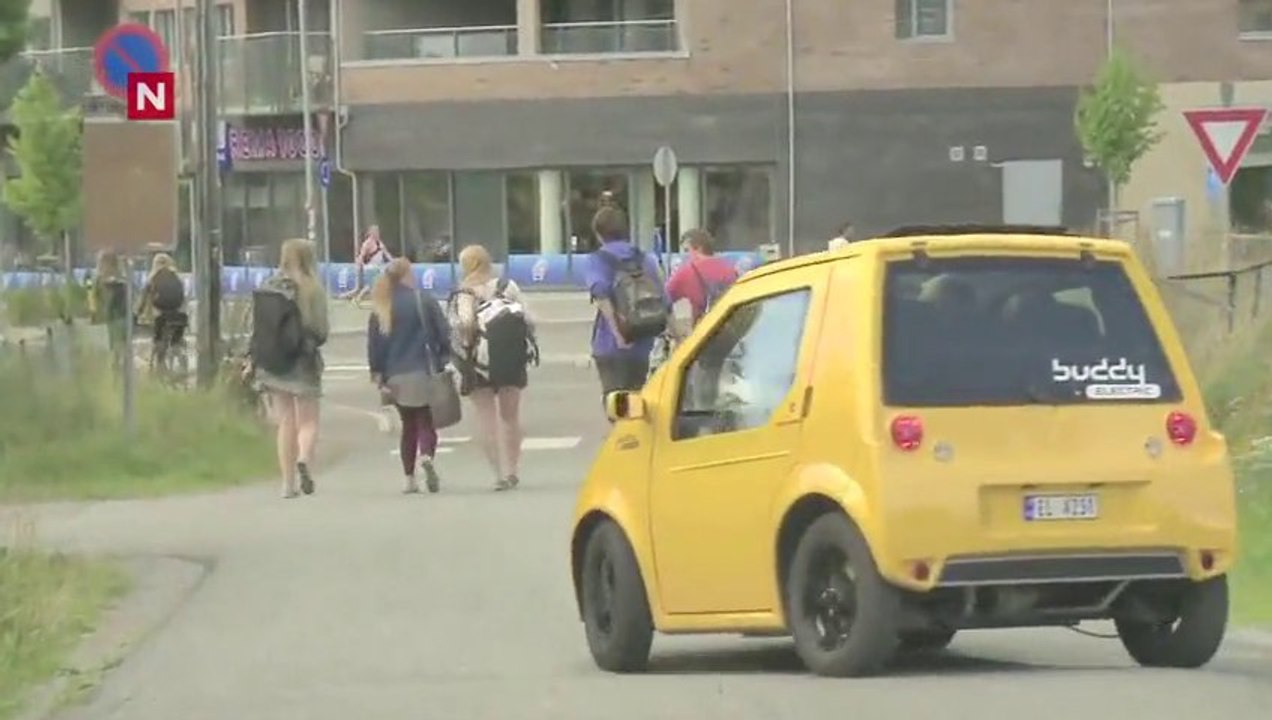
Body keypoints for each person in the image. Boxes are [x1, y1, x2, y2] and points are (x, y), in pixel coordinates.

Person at [449, 244, 536, 492]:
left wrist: (467, 342)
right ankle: (513, 470)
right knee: (511, 417)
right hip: (510, 358)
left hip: (479, 362)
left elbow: (465, 323)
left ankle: (498, 474)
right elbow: (529, 318)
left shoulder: (465, 292)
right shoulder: (507, 286)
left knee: (486, 418)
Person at [253, 238, 330, 499]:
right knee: (308, 421)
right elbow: (321, 330)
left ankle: (287, 484)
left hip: (274, 362)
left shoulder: (268, 287)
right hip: (303, 361)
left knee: (285, 421)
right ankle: (304, 459)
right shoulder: (312, 289)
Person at [367, 257, 451, 494]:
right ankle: (426, 456)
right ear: (406, 275)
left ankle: (409, 478)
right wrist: (443, 359)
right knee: (426, 420)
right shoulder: (423, 300)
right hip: (423, 369)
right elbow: (443, 333)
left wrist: (378, 373)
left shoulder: (382, 306)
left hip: (395, 374)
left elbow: (375, 345)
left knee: (408, 425)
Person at [583, 204, 667, 402]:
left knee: (616, 403)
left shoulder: (597, 260)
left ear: (599, 234)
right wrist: (675, 333)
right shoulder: (645, 259)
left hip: (610, 345)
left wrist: (618, 334)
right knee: (637, 400)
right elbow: (664, 297)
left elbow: (602, 296)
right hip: (644, 340)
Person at [664, 228, 739, 333]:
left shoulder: (687, 271)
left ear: (698, 248)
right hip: (728, 328)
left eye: (686, 250)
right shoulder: (730, 268)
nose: (684, 256)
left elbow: (665, 297)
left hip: (702, 332)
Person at [134, 253, 187, 374]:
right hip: (180, 317)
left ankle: (160, 366)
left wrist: (136, 315)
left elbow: (143, 300)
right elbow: (183, 299)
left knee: (158, 341)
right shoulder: (177, 278)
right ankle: (181, 362)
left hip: (161, 316)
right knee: (177, 341)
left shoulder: (153, 279)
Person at [89, 250, 129, 365]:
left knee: (116, 341)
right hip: (119, 313)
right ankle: (119, 363)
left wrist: (94, 311)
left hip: (115, 313)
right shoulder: (121, 277)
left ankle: (117, 363)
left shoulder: (101, 278)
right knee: (119, 341)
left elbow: (94, 296)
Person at [353, 225, 392, 305]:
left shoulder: (379, 243)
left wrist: (393, 261)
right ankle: (358, 298)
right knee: (370, 286)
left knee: (377, 283)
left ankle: (379, 299)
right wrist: (359, 265)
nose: (377, 233)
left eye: (378, 232)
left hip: (378, 267)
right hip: (370, 267)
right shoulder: (367, 243)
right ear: (371, 233)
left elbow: (386, 253)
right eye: (375, 232)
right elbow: (362, 255)